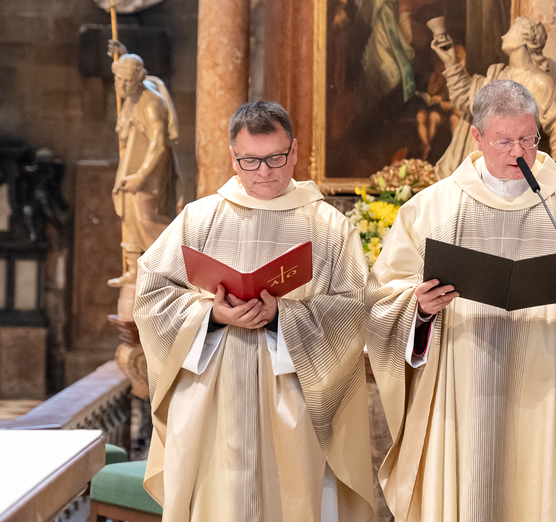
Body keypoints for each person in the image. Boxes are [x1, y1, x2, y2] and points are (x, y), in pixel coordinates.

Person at [364, 80, 556, 521]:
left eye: (528, 138)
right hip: (462, 393)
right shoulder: (432, 210)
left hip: (550, 391)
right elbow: (382, 299)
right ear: (477, 137)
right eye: (504, 140)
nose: (519, 152)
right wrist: (418, 309)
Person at [133, 102, 375, 522]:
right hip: (212, 401)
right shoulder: (199, 219)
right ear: (234, 157)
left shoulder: (329, 227)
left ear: (294, 151)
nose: (263, 171)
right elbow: (151, 295)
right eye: (250, 160)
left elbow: (355, 310)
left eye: (275, 158)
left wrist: (282, 314)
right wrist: (211, 315)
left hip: (295, 399)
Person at [431, 16, 556, 178]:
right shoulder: (496, 76)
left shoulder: (538, 82)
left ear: (525, 38)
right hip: (481, 172)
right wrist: (450, 62)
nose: (503, 36)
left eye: (511, 30)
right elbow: (466, 98)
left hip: (514, 172)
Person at [108, 49, 180, 289]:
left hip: (150, 172)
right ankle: (134, 270)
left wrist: (141, 176)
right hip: (132, 165)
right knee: (129, 216)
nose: (121, 86)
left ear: (138, 80)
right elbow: (131, 67)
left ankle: (174, 265)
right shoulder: (133, 94)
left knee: (146, 218)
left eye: (127, 81)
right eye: (118, 80)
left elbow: (157, 144)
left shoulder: (150, 104)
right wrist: (122, 54)